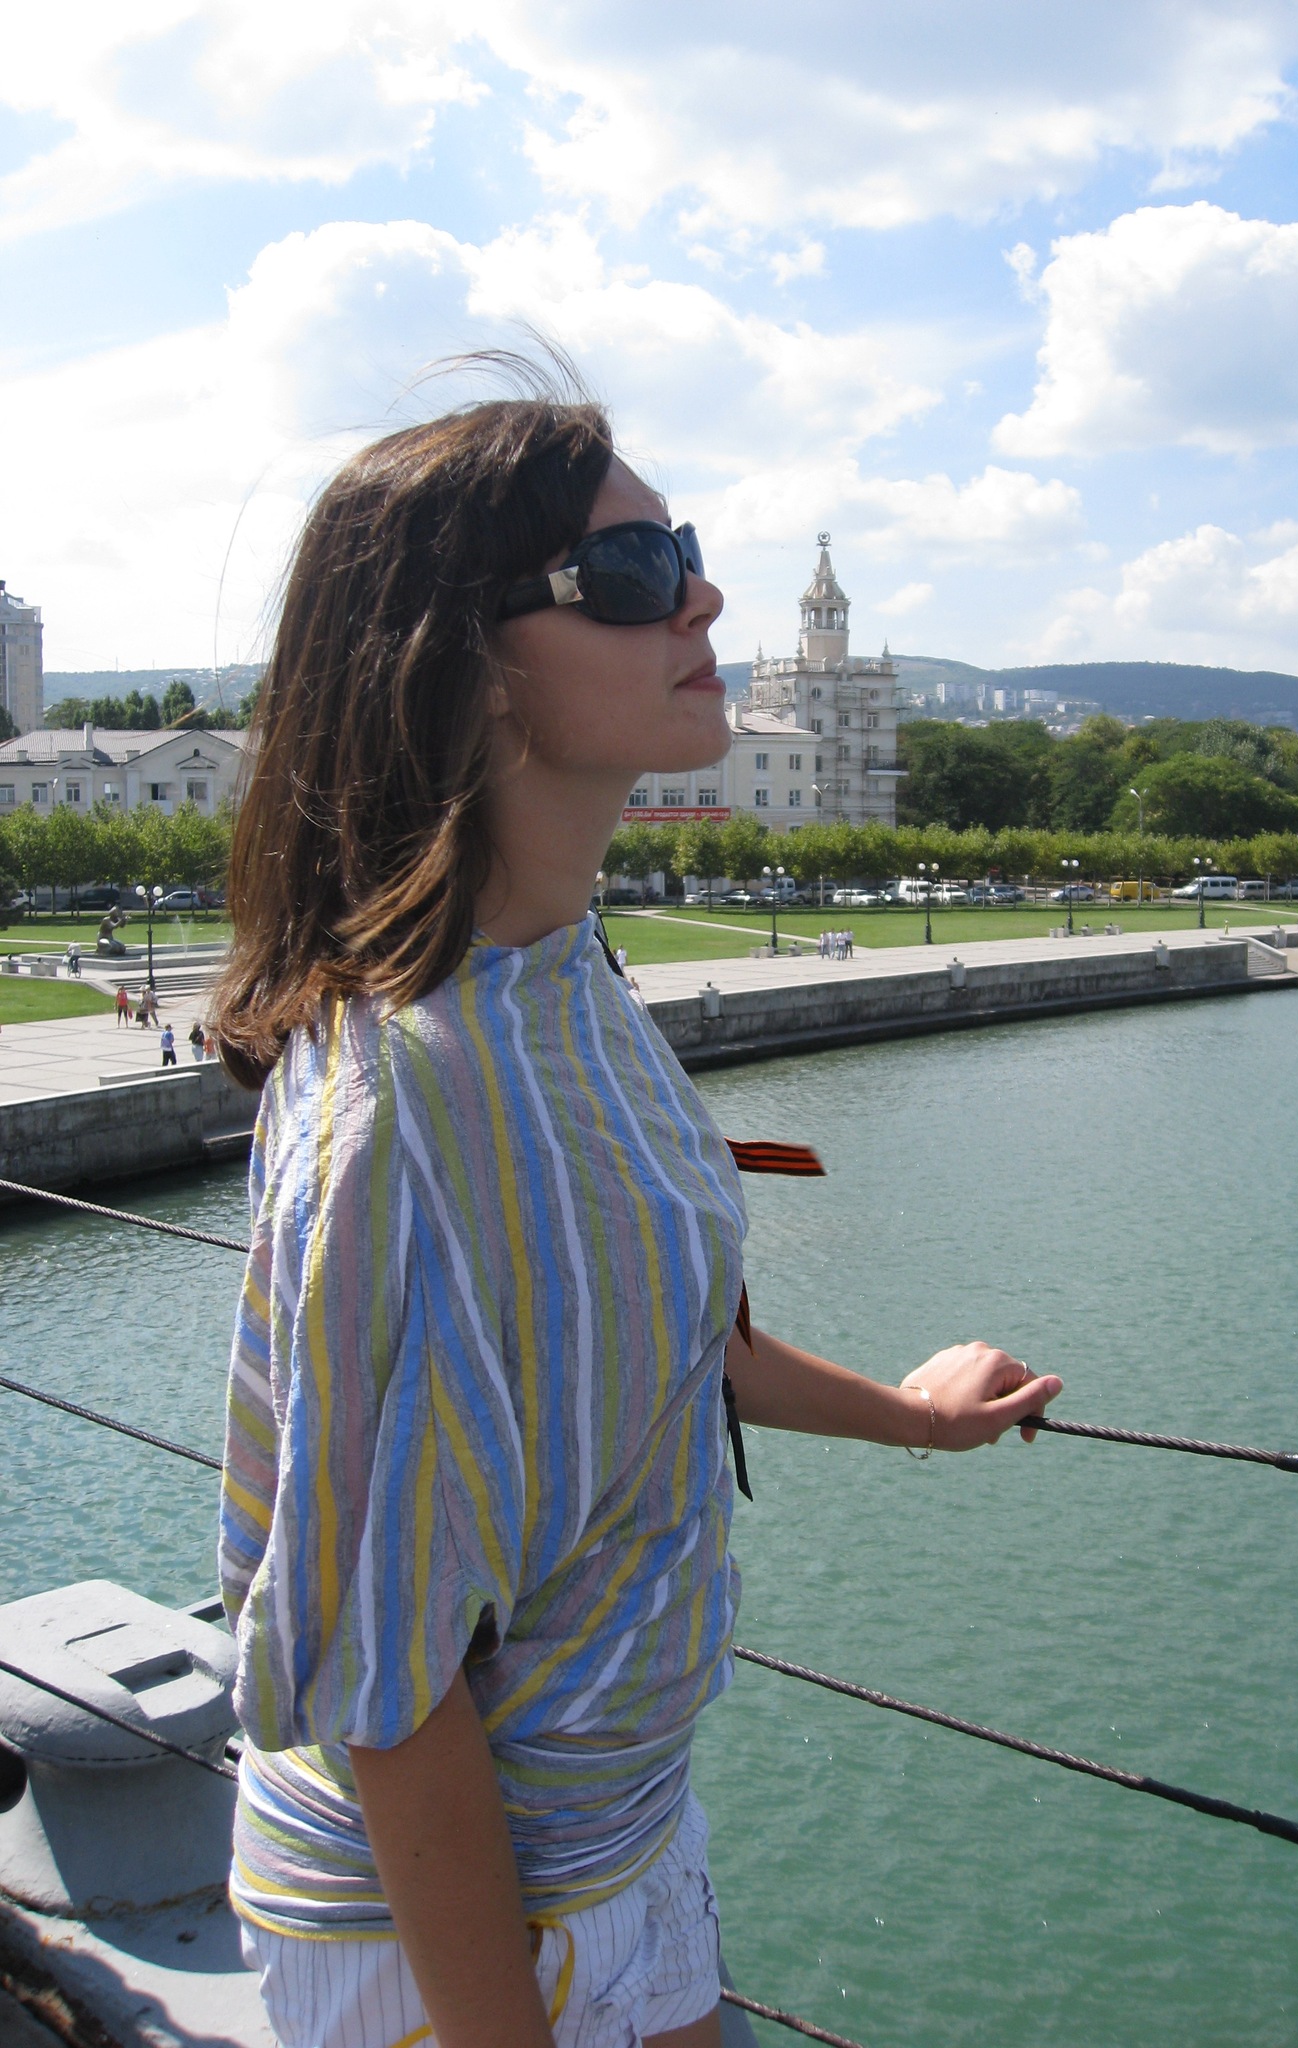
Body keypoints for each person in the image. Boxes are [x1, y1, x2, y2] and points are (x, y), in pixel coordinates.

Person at [207, 374, 1061, 2048]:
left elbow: (656, 1340)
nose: (702, 597)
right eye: (630, 573)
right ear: (468, 666)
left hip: (622, 1832)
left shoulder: (562, 975)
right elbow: (389, 1694)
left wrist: (915, 1419)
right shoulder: (415, 1110)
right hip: (451, 1923)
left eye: (686, 551)